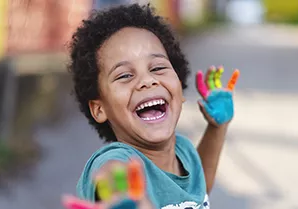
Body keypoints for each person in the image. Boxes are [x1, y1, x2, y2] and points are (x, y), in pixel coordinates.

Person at [68, 3, 239, 209]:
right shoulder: (117, 159)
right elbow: (111, 176)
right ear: (99, 108)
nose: (147, 81)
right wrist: (124, 199)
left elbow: (199, 190)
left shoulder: (183, 150)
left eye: (158, 67)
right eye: (125, 75)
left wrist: (217, 128)